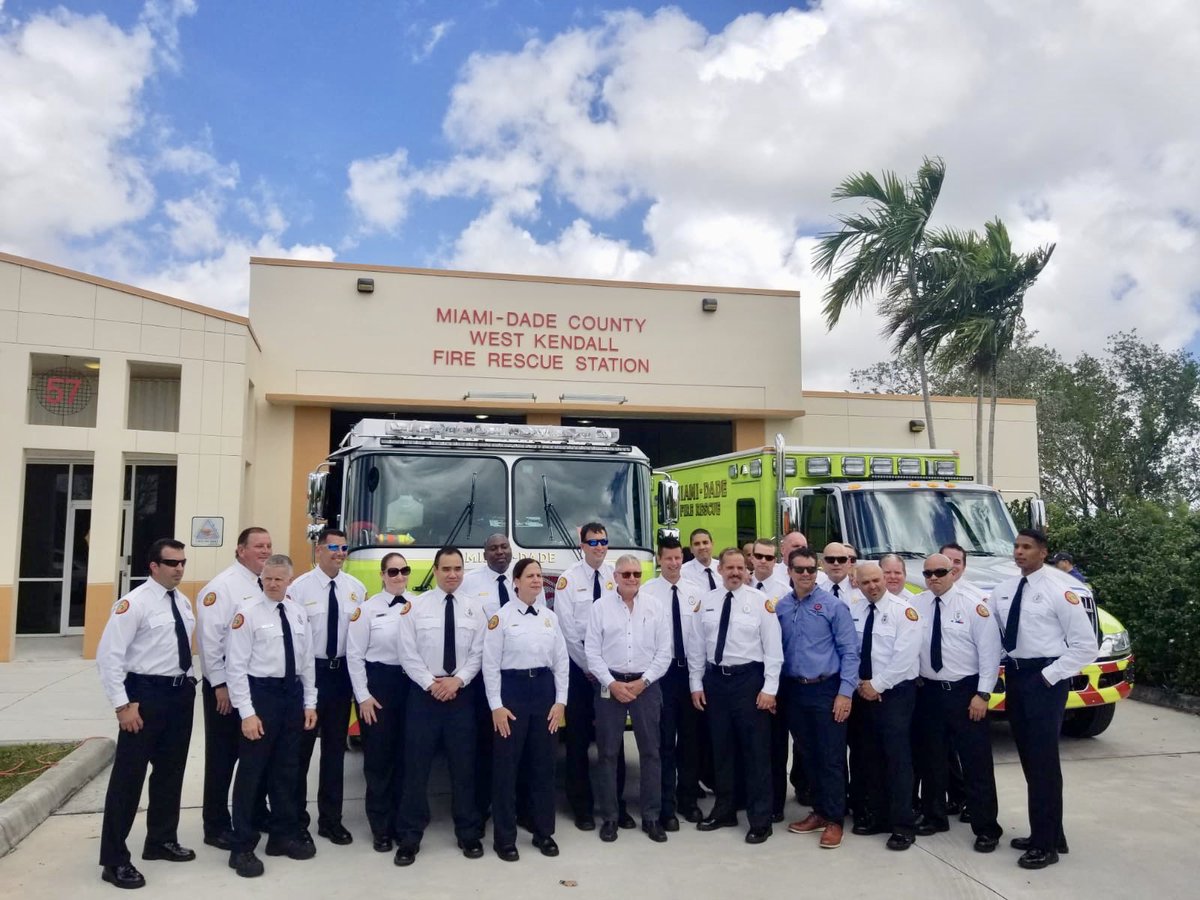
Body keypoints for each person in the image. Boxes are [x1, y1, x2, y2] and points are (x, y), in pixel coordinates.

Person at [990, 529, 1098, 870]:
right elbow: (993, 635)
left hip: (1045, 680)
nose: (1019, 552)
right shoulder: (1004, 591)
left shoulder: (1060, 590)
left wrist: (1049, 677)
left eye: (1027, 548)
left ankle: (1045, 845)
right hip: (1017, 678)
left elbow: (1086, 646)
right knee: (1029, 761)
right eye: (1017, 547)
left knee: (1043, 764)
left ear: (1043, 552)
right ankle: (1051, 833)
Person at [95, 538, 197, 890]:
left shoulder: (182, 602)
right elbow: (109, 656)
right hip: (144, 696)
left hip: (179, 693)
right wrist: (123, 704)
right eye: (172, 563)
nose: (179, 569)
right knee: (128, 779)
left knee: (171, 773)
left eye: (183, 562)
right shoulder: (133, 604)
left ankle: (160, 840)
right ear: (153, 566)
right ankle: (114, 859)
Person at [224, 554, 318, 878]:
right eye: (268, 577)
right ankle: (242, 847)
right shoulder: (247, 614)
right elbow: (235, 668)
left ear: (290, 580)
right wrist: (247, 714)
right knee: (252, 772)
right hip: (261, 696)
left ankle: (281, 836)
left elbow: (307, 663)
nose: (273, 583)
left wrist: (310, 703)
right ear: (261, 578)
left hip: (291, 696)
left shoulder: (298, 613)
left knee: (287, 770)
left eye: (279, 578)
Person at [394, 547, 487, 866]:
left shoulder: (476, 609)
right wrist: (431, 683)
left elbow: (479, 653)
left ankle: (468, 832)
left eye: (458, 568)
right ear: (434, 571)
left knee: (464, 767)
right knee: (415, 768)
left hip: (461, 696)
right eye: (446, 568)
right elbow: (407, 653)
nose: (452, 574)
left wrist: (458, 680)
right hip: (424, 696)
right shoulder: (415, 608)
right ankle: (409, 837)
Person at [911, 554, 1003, 853]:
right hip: (929, 693)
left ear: (953, 573)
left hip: (966, 694)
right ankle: (934, 816)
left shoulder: (974, 606)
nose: (933, 578)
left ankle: (986, 827)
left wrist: (983, 694)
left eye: (940, 572)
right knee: (932, 761)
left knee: (976, 764)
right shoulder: (917, 605)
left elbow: (990, 655)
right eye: (928, 573)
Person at [689, 548, 783, 844]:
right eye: (729, 567)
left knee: (756, 753)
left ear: (747, 570)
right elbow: (696, 646)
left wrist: (770, 689)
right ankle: (725, 810)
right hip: (716, 682)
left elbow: (774, 649)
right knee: (722, 750)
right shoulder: (708, 602)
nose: (735, 572)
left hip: (749, 682)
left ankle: (760, 819)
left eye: (740, 568)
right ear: (720, 570)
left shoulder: (760, 603)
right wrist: (696, 684)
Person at [484, 559, 569, 861]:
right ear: (515, 582)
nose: (536, 580)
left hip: (544, 693)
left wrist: (561, 701)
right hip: (512, 695)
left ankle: (544, 833)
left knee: (543, 767)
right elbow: (490, 665)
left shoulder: (549, 618)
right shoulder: (500, 619)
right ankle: (505, 838)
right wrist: (496, 706)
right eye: (530, 576)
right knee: (507, 769)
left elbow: (561, 662)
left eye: (538, 576)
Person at [196, 527, 273, 849]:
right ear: (241, 550)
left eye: (269, 545)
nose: (265, 551)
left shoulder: (266, 585)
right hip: (226, 686)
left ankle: (256, 811)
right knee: (222, 757)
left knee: (255, 755)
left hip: (254, 684)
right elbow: (210, 641)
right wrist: (220, 685)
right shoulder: (223, 588)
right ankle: (215, 825)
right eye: (258, 546)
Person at [287, 528, 365, 846]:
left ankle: (331, 820)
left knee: (335, 750)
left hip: (341, 674)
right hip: (310, 674)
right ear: (319, 550)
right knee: (301, 750)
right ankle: (295, 819)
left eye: (344, 547)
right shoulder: (298, 589)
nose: (340, 553)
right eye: (333, 547)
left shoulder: (356, 589)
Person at [587, 555, 672, 843]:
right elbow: (592, 653)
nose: (632, 579)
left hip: (645, 686)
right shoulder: (599, 608)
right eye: (626, 574)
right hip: (610, 685)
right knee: (608, 754)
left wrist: (643, 682)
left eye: (636, 574)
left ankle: (651, 816)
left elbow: (664, 652)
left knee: (651, 752)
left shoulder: (655, 607)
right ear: (616, 577)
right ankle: (610, 817)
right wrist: (611, 683)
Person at [778, 546, 858, 850]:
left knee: (831, 757)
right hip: (794, 690)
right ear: (789, 571)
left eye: (811, 570)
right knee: (807, 754)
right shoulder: (782, 607)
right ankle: (820, 811)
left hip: (826, 689)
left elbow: (849, 652)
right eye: (800, 569)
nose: (806, 575)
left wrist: (844, 693)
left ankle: (835, 819)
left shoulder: (833, 607)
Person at [553, 522, 631, 831]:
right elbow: (567, 631)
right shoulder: (568, 581)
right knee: (578, 741)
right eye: (593, 542)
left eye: (603, 541)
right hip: (580, 670)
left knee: (613, 743)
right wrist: (590, 667)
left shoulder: (616, 576)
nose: (599, 547)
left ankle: (617, 805)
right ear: (582, 545)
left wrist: (604, 670)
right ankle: (582, 807)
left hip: (611, 671)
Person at [460, 533, 541, 820]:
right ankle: (481, 809)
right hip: (484, 675)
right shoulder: (470, 583)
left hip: (518, 679)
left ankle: (522, 809)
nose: (500, 552)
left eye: (504, 547)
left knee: (522, 748)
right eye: (493, 548)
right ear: (485, 554)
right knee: (484, 745)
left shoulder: (527, 580)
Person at [847, 562, 921, 851]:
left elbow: (905, 658)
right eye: (865, 582)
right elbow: (849, 652)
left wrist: (876, 685)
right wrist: (860, 684)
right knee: (868, 757)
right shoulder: (853, 611)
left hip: (894, 694)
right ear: (858, 583)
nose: (873, 586)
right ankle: (876, 816)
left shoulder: (904, 611)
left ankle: (902, 825)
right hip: (862, 692)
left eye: (876, 580)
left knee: (897, 760)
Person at [345, 553, 413, 853]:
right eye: (393, 571)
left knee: (406, 760)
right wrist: (363, 697)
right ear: (382, 575)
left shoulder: (418, 606)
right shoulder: (367, 610)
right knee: (379, 760)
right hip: (379, 688)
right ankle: (381, 827)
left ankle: (402, 823)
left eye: (404, 571)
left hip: (410, 686)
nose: (399, 576)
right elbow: (355, 656)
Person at [640, 537, 705, 828]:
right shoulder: (648, 593)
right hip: (661, 677)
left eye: (678, 558)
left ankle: (688, 800)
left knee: (691, 742)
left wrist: (697, 681)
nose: (674, 563)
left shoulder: (696, 592)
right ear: (659, 559)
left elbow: (699, 640)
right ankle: (666, 807)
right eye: (668, 559)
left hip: (688, 674)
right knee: (664, 742)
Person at [750, 538, 800, 823]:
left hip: (778, 678)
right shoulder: (741, 589)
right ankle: (753, 796)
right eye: (759, 556)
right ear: (752, 558)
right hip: (749, 676)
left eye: (769, 557)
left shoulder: (785, 594)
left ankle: (776, 803)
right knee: (753, 743)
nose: (764, 561)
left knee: (776, 745)